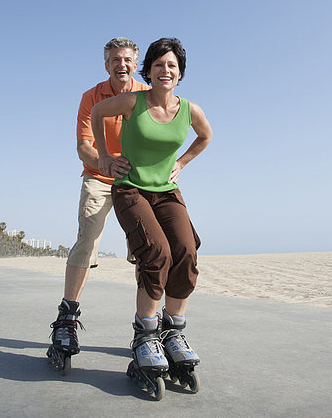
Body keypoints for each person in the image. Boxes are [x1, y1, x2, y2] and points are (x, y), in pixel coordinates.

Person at [91, 37, 212, 391]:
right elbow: (98, 113)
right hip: (130, 188)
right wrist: (104, 156)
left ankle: (173, 332)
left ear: (180, 73)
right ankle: (145, 334)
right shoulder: (133, 101)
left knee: (187, 250)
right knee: (156, 251)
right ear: (149, 70)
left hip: (167, 190)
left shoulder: (190, 110)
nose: (165, 70)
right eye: (159, 65)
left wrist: (182, 163)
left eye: (172, 65)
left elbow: (205, 137)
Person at [48, 37, 150, 367]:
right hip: (99, 176)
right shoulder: (91, 97)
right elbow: (83, 146)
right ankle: (67, 317)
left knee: (145, 248)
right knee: (86, 238)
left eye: (127, 59)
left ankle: (145, 327)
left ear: (136, 64)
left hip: (136, 180)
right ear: (106, 65)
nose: (122, 64)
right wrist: (104, 161)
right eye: (115, 59)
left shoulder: (146, 96)